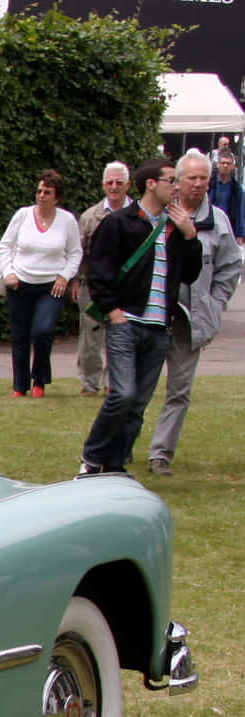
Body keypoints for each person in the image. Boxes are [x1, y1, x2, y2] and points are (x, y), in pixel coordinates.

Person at [78, 157, 202, 476]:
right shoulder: (120, 222)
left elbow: (189, 274)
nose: (177, 187)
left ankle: (116, 465)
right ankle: (92, 457)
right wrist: (112, 310)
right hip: (126, 322)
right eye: (171, 181)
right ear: (151, 184)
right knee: (123, 393)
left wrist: (191, 237)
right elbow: (99, 269)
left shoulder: (175, 226)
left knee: (137, 405)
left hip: (159, 327)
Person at [145, 150, 242, 476]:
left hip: (192, 320)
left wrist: (214, 306)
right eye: (192, 178)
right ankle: (121, 448)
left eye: (204, 178)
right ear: (179, 180)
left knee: (180, 391)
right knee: (137, 386)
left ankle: (161, 455)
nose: (199, 184)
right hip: (154, 315)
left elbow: (230, 268)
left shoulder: (218, 222)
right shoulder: (158, 215)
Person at [0, 169, 81, 397]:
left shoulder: (67, 220)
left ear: (57, 197)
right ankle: (20, 386)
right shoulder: (22, 215)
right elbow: (5, 246)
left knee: (42, 331)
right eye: (39, 191)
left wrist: (64, 276)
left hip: (51, 286)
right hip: (20, 284)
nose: (41, 195)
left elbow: (75, 253)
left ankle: (39, 380)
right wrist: (8, 272)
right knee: (20, 335)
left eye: (47, 192)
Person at [72, 162, 130, 396]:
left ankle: (113, 383)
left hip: (127, 287)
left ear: (128, 185)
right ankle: (90, 383)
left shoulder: (139, 215)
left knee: (122, 336)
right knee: (91, 339)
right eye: (110, 182)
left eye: (119, 182)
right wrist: (75, 281)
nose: (114, 187)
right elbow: (79, 252)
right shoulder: (90, 217)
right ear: (103, 184)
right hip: (94, 286)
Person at [212, 151, 244, 248]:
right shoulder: (209, 185)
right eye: (223, 163)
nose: (225, 166)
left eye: (228, 163)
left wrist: (240, 235)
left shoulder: (237, 188)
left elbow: (240, 212)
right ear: (218, 165)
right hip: (211, 227)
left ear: (233, 166)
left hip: (230, 229)